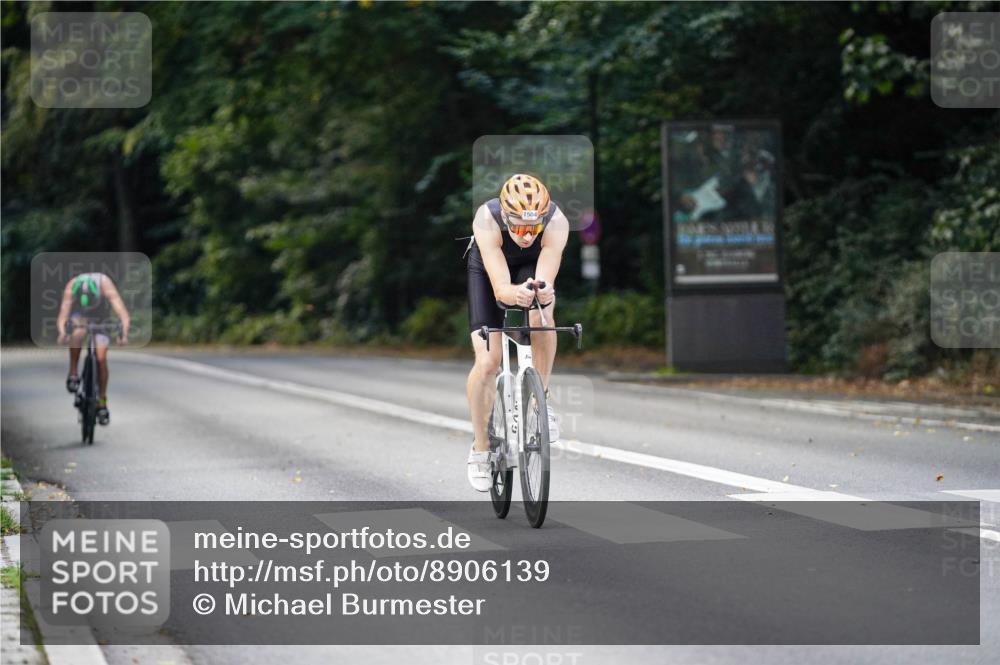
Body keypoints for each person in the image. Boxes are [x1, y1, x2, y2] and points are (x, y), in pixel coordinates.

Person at [465, 174, 569, 491]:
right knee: (488, 361)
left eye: (533, 227)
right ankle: (481, 448)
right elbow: (500, 289)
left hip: (530, 267)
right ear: (506, 217)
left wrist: (542, 294)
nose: (525, 235)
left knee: (542, 316)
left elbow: (545, 277)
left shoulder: (556, 222)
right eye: (519, 227)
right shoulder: (487, 219)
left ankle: (541, 400)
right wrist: (514, 295)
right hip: (489, 269)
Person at [56, 272, 130, 425]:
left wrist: (124, 334)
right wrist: (63, 333)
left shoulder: (105, 284)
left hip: (101, 315)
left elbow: (122, 313)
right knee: (77, 333)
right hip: (80, 314)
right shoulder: (72, 286)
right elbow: (63, 315)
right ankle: (73, 373)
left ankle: (102, 400)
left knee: (101, 357)